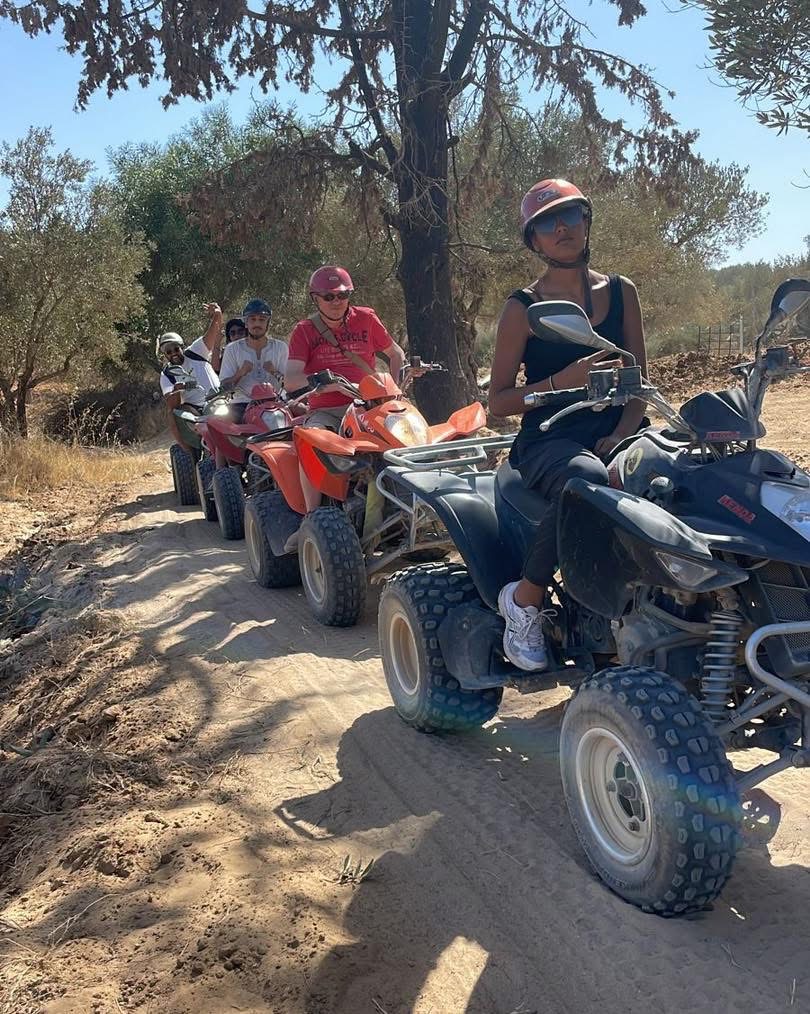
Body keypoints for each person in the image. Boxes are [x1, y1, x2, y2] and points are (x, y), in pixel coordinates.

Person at [487, 178, 648, 672]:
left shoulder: (621, 291)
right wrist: (562, 381)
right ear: (533, 240)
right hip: (550, 437)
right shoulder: (522, 307)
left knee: (683, 473)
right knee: (588, 480)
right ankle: (525, 600)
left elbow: (638, 381)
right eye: (546, 223)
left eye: (570, 215)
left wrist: (622, 432)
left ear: (586, 220)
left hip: (618, 428)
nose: (561, 227)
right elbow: (499, 402)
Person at [284, 266, 408, 511]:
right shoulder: (304, 330)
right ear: (315, 298)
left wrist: (395, 390)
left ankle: (415, 503)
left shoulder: (366, 318)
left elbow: (396, 354)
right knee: (310, 440)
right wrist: (323, 382)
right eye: (328, 296)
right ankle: (313, 516)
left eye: (343, 295)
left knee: (409, 436)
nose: (336, 301)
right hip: (327, 410)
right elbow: (291, 379)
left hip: (368, 405)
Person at [158, 302, 223, 455]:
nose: (173, 354)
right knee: (173, 414)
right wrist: (176, 391)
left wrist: (217, 315)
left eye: (176, 349)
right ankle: (188, 452)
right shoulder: (167, 374)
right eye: (169, 352)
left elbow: (213, 332)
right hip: (194, 409)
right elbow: (171, 402)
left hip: (218, 399)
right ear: (165, 355)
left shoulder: (196, 352)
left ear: (181, 347)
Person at [218, 298, 288, 423]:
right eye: (253, 319)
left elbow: (289, 384)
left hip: (275, 403)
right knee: (220, 424)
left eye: (262, 320)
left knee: (302, 418)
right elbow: (223, 388)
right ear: (246, 323)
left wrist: (275, 372)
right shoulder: (232, 349)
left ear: (268, 323)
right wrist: (240, 373)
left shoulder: (280, 347)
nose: (257, 324)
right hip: (242, 405)